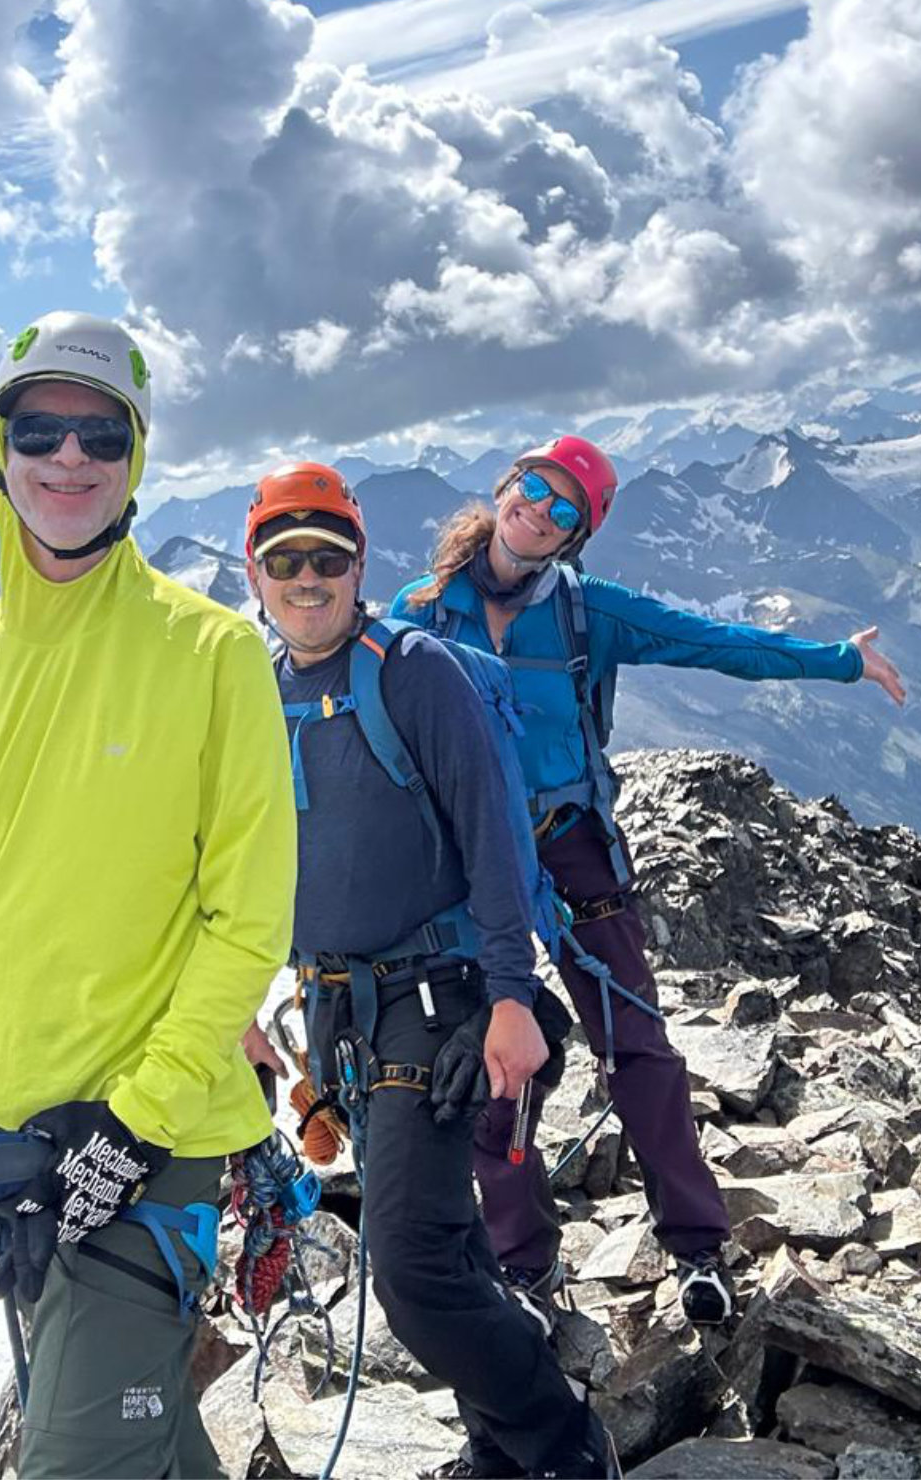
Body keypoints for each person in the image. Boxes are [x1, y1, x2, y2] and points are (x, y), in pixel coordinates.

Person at [0, 312, 295, 1480]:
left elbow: (247, 914)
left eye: (100, 433)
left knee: (75, 1459)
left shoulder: (210, 654)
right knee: (140, 1438)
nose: (69, 458)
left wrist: (134, 1124)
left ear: (136, 458)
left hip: (149, 1148)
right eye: (40, 428)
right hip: (4, 1161)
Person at [391, 436, 907, 1328]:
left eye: (566, 511)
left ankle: (698, 1248)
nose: (543, 512)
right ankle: (524, 1264)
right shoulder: (422, 612)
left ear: (575, 538)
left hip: (571, 844)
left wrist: (838, 659)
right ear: (509, 484)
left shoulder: (592, 613)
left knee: (637, 1047)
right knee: (494, 1060)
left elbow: (714, 643)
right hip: (474, 861)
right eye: (537, 490)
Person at [239, 463, 617, 1479]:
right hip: (337, 1010)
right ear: (257, 572)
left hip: (435, 1000)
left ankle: (563, 1443)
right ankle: (506, 1440)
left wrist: (508, 992)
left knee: (407, 1266)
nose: (308, 577)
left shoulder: (411, 669)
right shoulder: (254, 689)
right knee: (441, 1246)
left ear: (361, 563)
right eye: (287, 559)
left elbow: (494, 834)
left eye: (329, 556)